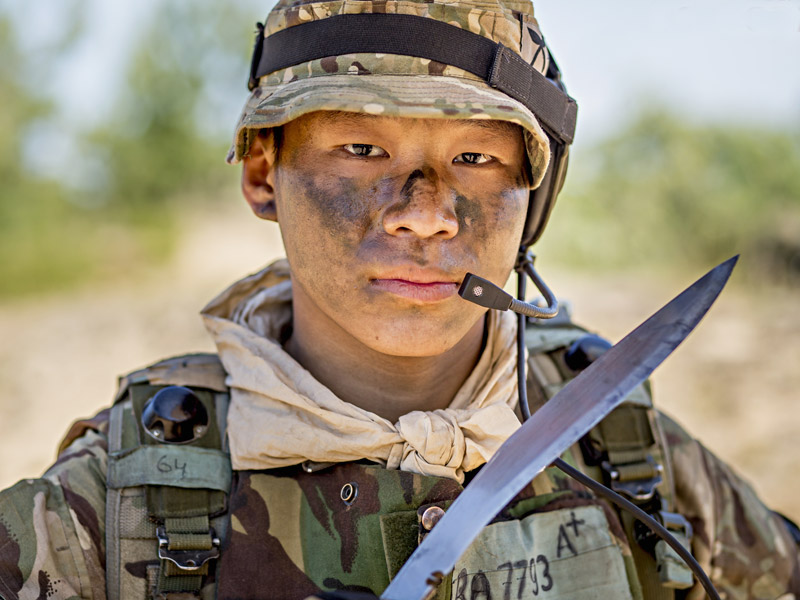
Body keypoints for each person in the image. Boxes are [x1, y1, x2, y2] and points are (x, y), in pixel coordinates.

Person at [1, 0, 798, 599]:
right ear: (261, 173)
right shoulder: (106, 509)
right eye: (361, 148)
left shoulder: (615, 437)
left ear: (536, 196)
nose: (425, 210)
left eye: (477, 156)